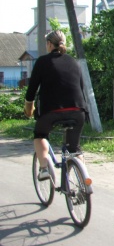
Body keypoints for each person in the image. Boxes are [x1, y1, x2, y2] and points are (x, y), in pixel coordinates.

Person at [24, 30, 87, 180]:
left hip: (51, 111)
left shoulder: (42, 62)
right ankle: (82, 181)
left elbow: (31, 90)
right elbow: (81, 88)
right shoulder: (74, 62)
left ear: (49, 44)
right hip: (78, 111)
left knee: (40, 135)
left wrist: (29, 109)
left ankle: (44, 169)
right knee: (74, 148)